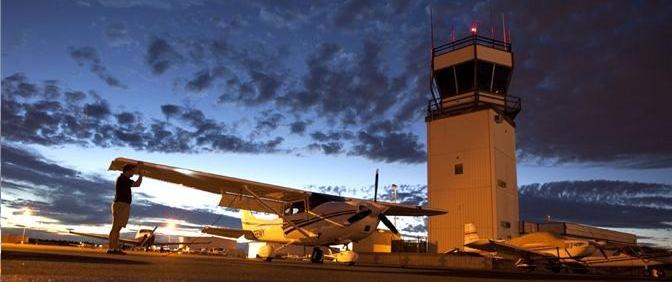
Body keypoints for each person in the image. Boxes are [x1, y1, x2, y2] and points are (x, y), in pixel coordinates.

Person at [108, 163, 143, 254]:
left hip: (122, 205)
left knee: (117, 227)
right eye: (132, 171)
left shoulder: (124, 179)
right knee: (116, 227)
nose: (133, 173)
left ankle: (114, 248)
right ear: (127, 171)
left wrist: (138, 167)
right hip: (121, 205)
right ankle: (112, 249)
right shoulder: (123, 179)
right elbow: (137, 184)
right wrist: (141, 174)